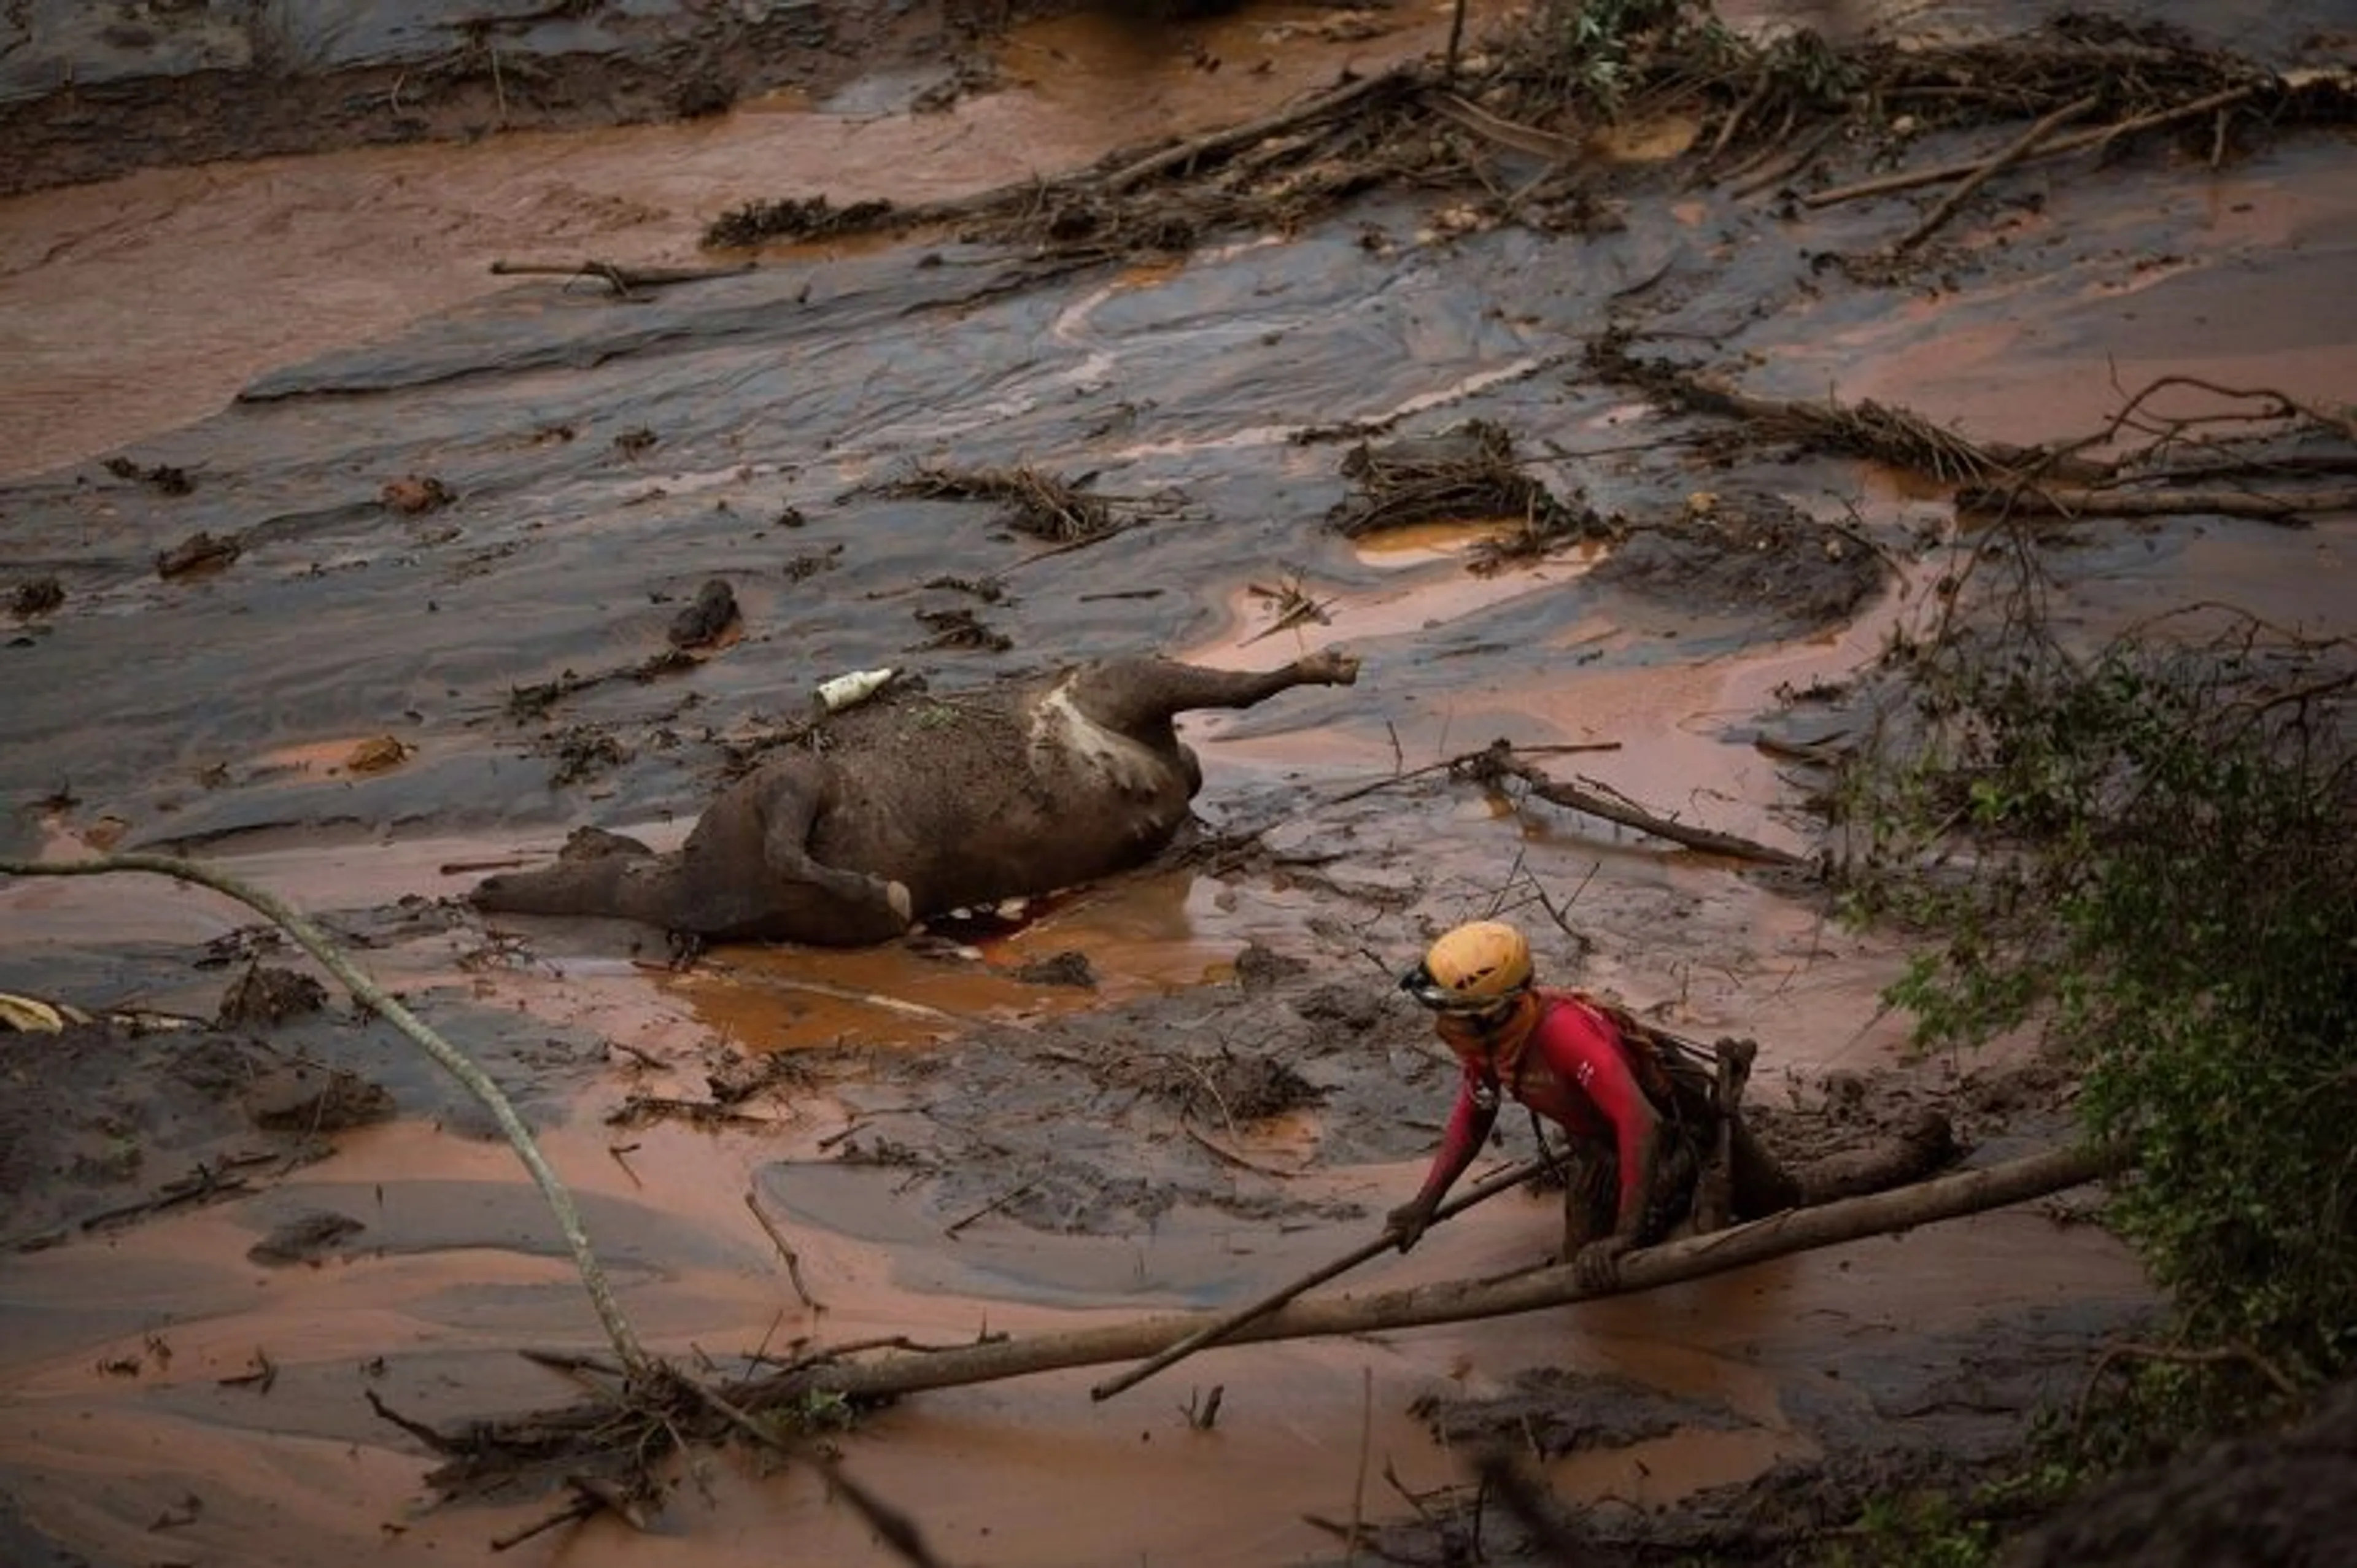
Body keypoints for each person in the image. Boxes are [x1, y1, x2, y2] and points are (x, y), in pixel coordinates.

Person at [1384, 920, 1800, 1289]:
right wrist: (1424, 1206)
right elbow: (1474, 1118)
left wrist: (1625, 1235)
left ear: (1492, 1012)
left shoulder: (1564, 1033)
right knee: (1585, 1274)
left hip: (1679, 1125)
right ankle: (1662, 1197)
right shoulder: (1487, 1044)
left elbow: (1642, 1122)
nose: (1443, 1025)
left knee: (1779, 1207)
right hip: (1600, 1150)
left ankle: (1679, 1180)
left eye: (1450, 1013)